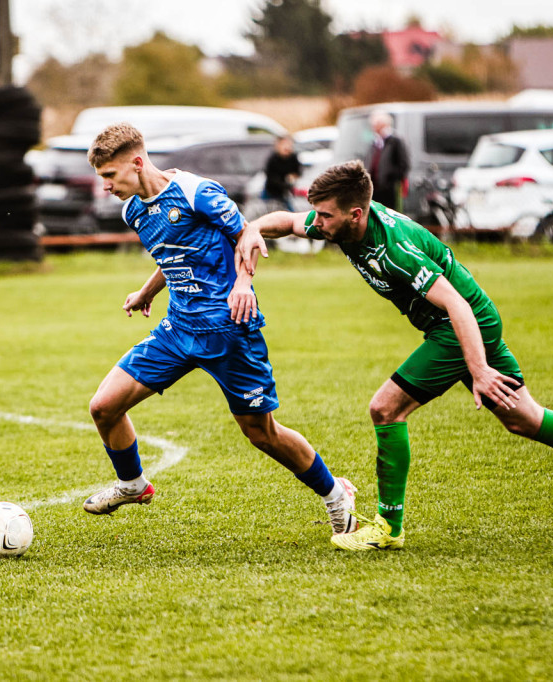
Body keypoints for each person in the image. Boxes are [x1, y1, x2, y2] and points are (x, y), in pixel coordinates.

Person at [236, 160, 553, 551]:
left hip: (459, 326)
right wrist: (254, 227)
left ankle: (388, 527)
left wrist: (479, 370)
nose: (317, 222)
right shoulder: (342, 223)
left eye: (325, 215)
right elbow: (289, 222)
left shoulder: (393, 250)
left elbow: (456, 304)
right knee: (523, 417)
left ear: (355, 214)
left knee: (385, 409)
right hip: (467, 323)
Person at [82, 123, 358, 541]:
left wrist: (243, 284)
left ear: (137, 163)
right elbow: (175, 251)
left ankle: (336, 494)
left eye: (109, 176)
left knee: (262, 433)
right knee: (104, 406)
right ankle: (133, 484)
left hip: (230, 330)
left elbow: (246, 233)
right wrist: (145, 291)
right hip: (178, 330)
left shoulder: (196, 192)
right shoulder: (134, 209)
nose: (105, 186)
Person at [365, 110, 409, 211]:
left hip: (389, 189)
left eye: (375, 125)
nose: (373, 128)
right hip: (375, 187)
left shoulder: (395, 141)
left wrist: (390, 179)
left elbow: (403, 165)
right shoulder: (375, 143)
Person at [261, 134, 301, 211]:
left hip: (286, 192)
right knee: (266, 210)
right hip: (271, 191)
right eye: (284, 144)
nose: (287, 147)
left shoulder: (293, 158)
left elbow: (298, 172)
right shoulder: (273, 159)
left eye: (289, 144)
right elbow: (270, 176)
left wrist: (292, 177)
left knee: (290, 211)